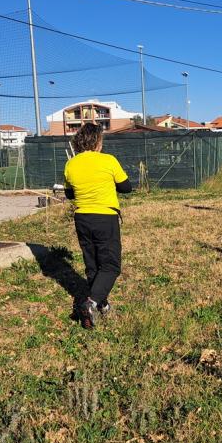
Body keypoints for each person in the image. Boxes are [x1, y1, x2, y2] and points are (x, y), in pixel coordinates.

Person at [63, 122, 132, 329]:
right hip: (105, 217)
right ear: (97, 141)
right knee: (110, 266)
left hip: (82, 218)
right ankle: (90, 303)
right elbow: (126, 187)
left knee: (92, 264)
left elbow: (69, 193)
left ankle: (101, 306)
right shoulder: (108, 161)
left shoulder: (71, 164)